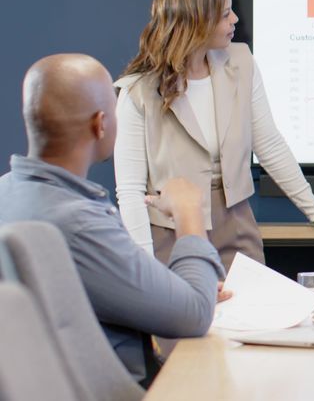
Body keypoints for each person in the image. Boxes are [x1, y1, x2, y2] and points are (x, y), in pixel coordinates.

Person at [115, 0, 314, 269]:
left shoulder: (242, 62)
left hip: (236, 228)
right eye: (224, 14)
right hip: (170, 237)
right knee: (188, 316)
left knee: (252, 314)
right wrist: (143, 265)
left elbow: (269, 144)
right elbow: (129, 192)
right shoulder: (137, 91)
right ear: (195, 20)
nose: (235, 19)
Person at [0, 53, 224, 385]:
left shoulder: (8, 193)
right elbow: (193, 315)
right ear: (101, 123)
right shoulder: (79, 223)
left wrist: (171, 287)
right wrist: (188, 211)